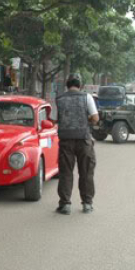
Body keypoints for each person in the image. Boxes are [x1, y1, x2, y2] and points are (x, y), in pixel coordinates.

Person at [52, 74, 99, 215]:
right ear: (80, 85)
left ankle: (65, 205)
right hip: (84, 140)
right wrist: (86, 118)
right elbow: (96, 119)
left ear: (67, 85)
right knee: (86, 172)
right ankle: (87, 204)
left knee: (66, 173)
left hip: (66, 141)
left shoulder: (59, 99)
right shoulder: (87, 97)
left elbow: (53, 120)